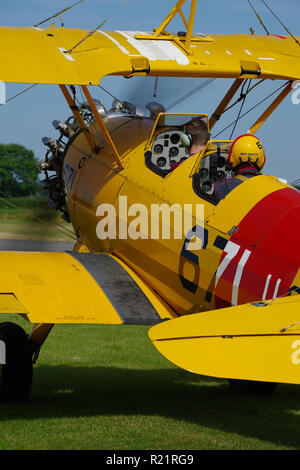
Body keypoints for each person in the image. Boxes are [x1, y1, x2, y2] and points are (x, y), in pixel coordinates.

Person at [213, 134, 265, 202]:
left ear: (231, 158)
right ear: (261, 159)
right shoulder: (272, 187)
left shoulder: (220, 187)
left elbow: (201, 210)